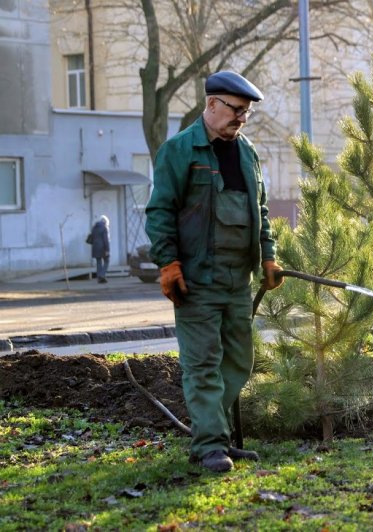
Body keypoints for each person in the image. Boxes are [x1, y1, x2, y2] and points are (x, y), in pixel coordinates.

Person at [145, 71, 284, 473]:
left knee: (239, 360)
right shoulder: (179, 150)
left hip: (237, 282)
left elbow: (260, 212)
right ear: (211, 105)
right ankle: (210, 445)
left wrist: (268, 257)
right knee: (202, 363)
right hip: (196, 281)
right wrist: (168, 263)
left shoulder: (247, 153)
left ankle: (212, 434)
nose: (241, 118)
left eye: (246, 113)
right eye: (236, 110)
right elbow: (160, 213)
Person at [89, 215, 110, 283]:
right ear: (105, 222)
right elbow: (105, 240)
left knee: (98, 262)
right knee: (107, 261)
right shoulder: (104, 228)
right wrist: (107, 250)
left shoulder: (94, 227)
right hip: (103, 248)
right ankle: (102, 275)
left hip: (95, 248)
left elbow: (92, 238)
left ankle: (99, 278)